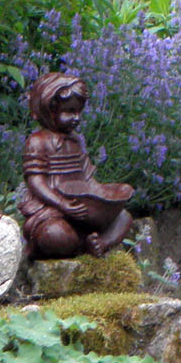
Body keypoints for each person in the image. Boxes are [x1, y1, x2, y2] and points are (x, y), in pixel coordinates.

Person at [18, 71, 136, 257]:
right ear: (49, 109)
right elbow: (36, 183)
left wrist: (105, 200)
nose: (77, 117)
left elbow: (88, 179)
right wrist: (62, 204)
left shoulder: (76, 142)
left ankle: (100, 244)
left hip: (82, 212)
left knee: (124, 217)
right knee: (55, 235)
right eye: (69, 111)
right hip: (52, 211)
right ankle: (73, 242)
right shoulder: (37, 141)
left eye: (79, 111)